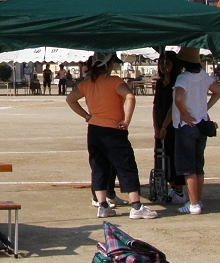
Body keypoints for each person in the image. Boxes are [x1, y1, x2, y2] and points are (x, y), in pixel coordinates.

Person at [66, 53, 156, 220]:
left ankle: (102, 205)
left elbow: (70, 99)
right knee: (126, 165)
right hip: (114, 129)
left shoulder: (87, 83)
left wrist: (86, 115)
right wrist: (126, 120)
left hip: (94, 129)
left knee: (98, 166)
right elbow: (130, 96)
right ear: (108, 65)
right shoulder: (114, 81)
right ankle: (136, 205)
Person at [172, 47, 220, 215]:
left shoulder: (183, 77)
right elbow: (218, 92)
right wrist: (205, 107)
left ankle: (193, 204)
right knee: (198, 166)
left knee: (188, 168)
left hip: (187, 126)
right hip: (202, 124)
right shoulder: (204, 76)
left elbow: (178, 98)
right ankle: (196, 200)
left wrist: (184, 113)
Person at [153, 51, 186, 203]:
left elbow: (174, 107)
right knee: (163, 157)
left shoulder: (177, 82)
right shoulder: (160, 83)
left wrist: (164, 126)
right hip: (161, 126)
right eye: (161, 63)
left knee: (174, 157)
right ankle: (172, 187)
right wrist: (156, 126)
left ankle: (179, 190)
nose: (164, 66)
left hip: (173, 126)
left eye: (168, 63)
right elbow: (155, 105)